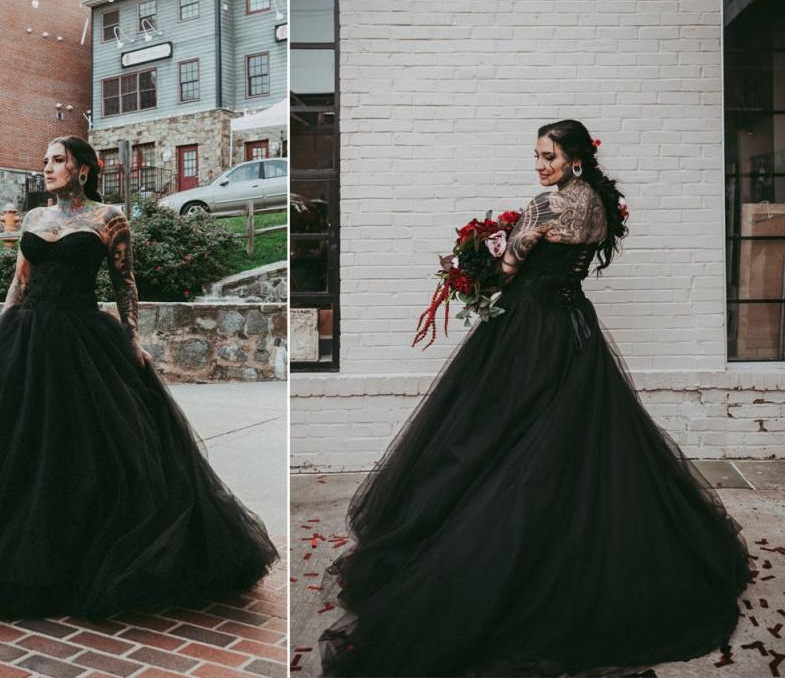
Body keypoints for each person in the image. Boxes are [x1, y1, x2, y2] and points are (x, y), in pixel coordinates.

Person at [318, 120, 751, 677]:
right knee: (571, 436)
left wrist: (471, 267)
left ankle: (506, 553)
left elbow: (507, 271)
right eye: (537, 156)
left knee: (496, 434)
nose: (540, 164)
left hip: (530, 329)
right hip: (576, 327)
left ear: (574, 158)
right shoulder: (602, 205)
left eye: (548, 156)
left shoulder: (547, 208)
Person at [0, 135, 279, 618]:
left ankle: (69, 551)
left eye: (57, 161)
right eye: (45, 160)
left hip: (82, 339)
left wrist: (132, 339)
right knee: (6, 443)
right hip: (26, 337)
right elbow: (20, 279)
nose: (47, 168)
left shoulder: (108, 218)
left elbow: (124, 282)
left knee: (78, 447)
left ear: (83, 169)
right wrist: (1, 331)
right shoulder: (34, 218)